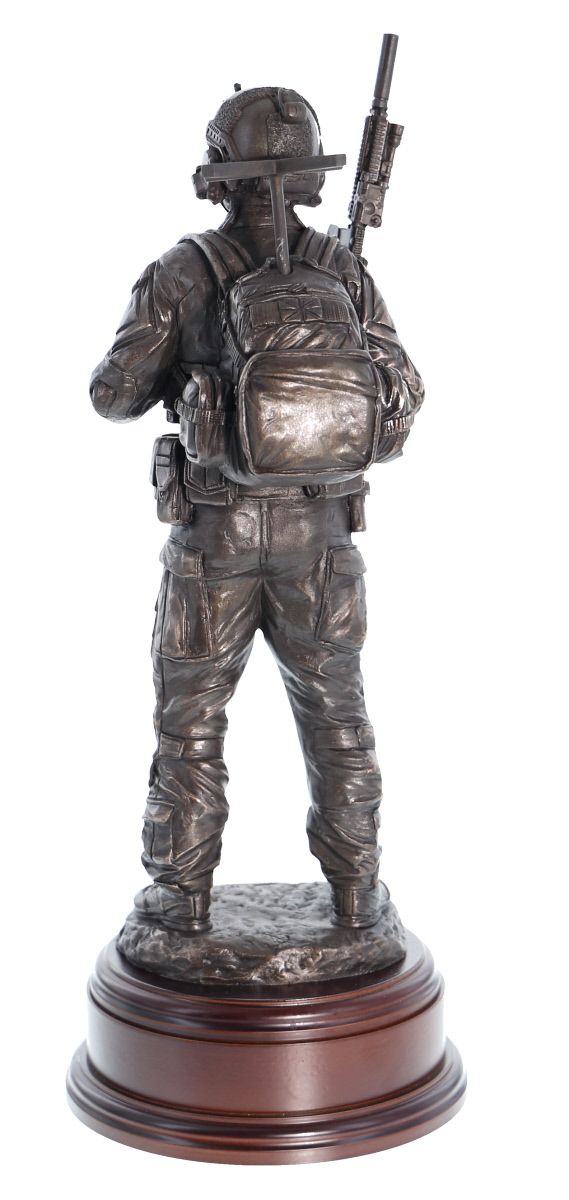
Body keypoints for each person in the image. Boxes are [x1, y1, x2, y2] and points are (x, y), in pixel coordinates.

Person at [90, 85, 424, 933]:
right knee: (337, 720)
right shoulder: (342, 269)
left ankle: (181, 899)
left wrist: (189, 383)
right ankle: (356, 895)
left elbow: (112, 395)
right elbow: (401, 402)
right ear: (310, 175)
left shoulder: (181, 271)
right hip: (322, 540)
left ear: (219, 175)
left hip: (215, 539)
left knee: (191, 725)